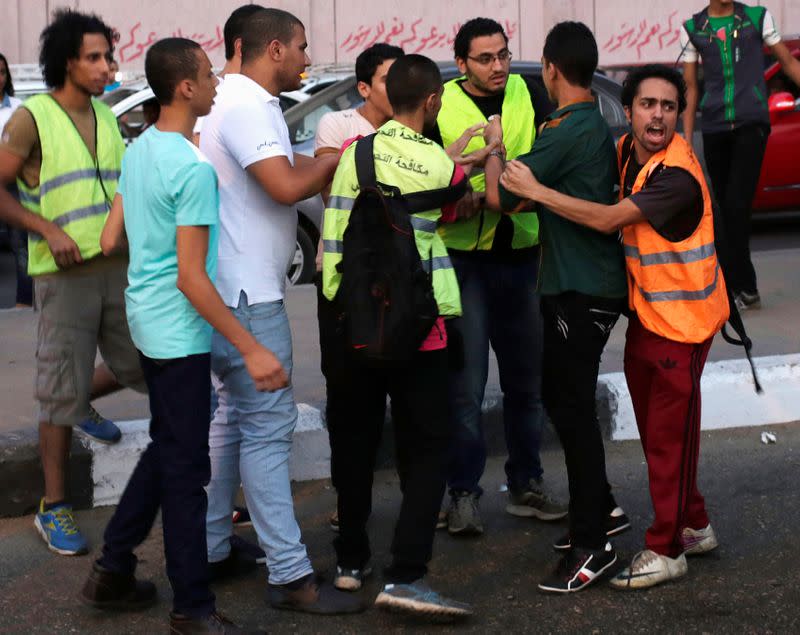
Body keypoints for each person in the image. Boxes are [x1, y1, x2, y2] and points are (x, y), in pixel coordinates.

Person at [80, 37, 286, 634]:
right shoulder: (192, 170)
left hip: (146, 320)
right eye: (208, 73)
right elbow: (195, 280)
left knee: (169, 445)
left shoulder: (142, 147)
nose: (219, 80)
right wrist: (250, 347)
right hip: (179, 334)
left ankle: (114, 569)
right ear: (186, 89)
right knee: (187, 470)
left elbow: (109, 239)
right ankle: (192, 606)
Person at [500, 64, 730, 590]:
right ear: (627, 111)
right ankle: (693, 524)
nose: (658, 115)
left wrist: (537, 191)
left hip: (685, 325)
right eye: (648, 104)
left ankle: (668, 548)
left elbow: (608, 220)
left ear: (679, 115)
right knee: (658, 436)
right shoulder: (627, 150)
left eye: (669, 107)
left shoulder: (676, 176)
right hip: (650, 317)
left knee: (671, 439)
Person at [200, 8, 362, 614]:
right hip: (249, 298)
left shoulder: (250, 102)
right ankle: (291, 577)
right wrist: (341, 155)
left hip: (234, 292)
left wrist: (317, 159)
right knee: (266, 433)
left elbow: (288, 167)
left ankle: (215, 546)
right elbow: (286, 185)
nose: (306, 60)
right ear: (271, 48)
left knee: (230, 424)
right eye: (300, 49)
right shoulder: (242, 104)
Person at [321, 53, 475, 620]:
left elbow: (334, 239)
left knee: (356, 443)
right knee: (429, 446)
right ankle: (407, 573)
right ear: (433, 101)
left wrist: (345, 313)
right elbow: (461, 198)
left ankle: (350, 561)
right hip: (422, 329)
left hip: (355, 324)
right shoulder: (439, 164)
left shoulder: (353, 154)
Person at [484, 21, 631, 593]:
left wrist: (496, 146)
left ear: (548, 68)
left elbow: (501, 199)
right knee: (561, 400)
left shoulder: (568, 128)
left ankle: (594, 544)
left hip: (580, 290)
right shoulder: (587, 121)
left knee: (571, 409)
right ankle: (598, 512)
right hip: (575, 286)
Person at [0, 9, 146, 556]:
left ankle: (79, 401)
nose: (107, 66)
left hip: (118, 266)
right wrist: (44, 228)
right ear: (68, 62)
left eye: (108, 55)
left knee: (140, 364)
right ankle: (53, 506)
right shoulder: (31, 118)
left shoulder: (107, 117)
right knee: (58, 390)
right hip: (63, 276)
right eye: (95, 57)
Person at [427, 17, 566, 534]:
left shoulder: (527, 94)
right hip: (465, 261)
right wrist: (465, 181)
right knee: (467, 389)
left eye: (503, 55)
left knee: (526, 383)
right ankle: (462, 493)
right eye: (486, 58)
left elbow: (544, 161)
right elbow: (427, 174)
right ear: (462, 63)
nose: (499, 66)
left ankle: (526, 484)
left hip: (522, 254)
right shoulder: (440, 104)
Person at [681, 0, 800, 311]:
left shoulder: (757, 18)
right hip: (714, 126)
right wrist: (686, 141)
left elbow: (787, 62)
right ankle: (741, 288)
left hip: (752, 123)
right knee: (724, 209)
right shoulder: (694, 28)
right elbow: (691, 87)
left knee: (736, 205)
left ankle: (740, 286)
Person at [192, 3, 264, 146]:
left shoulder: (253, 93)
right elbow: (199, 146)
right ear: (241, 47)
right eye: (271, 46)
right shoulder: (213, 94)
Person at [0, 52, 32, 308]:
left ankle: (24, 299)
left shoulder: (18, 108)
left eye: (1, 72)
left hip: (11, 184)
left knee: (20, 242)